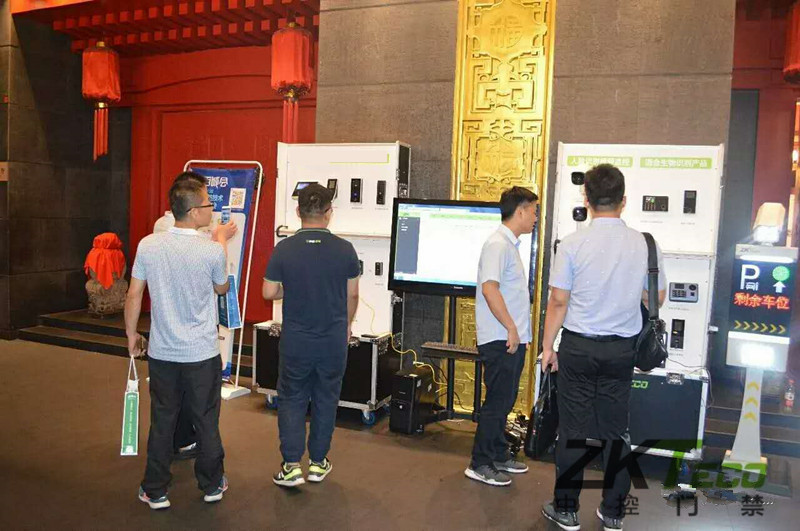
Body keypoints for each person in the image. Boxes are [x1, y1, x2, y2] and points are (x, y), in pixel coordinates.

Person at [540, 164, 665, 531]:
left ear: (587, 199)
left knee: (572, 430)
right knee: (616, 432)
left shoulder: (572, 244)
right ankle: (613, 512)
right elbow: (656, 297)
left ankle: (566, 510)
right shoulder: (645, 244)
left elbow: (558, 301)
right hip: (621, 351)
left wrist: (548, 347)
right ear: (623, 201)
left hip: (578, 349)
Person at [125, 172, 237, 509]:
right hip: (201, 353)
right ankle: (212, 483)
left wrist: (131, 334)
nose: (212, 209)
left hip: (163, 352)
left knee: (163, 420)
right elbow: (222, 287)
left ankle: (155, 489)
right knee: (206, 419)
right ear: (193, 211)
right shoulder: (210, 251)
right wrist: (220, 240)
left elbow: (134, 294)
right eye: (208, 204)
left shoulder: (148, 244)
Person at [262, 183, 360, 487]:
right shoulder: (345, 249)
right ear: (329, 212)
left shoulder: (284, 248)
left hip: (296, 341)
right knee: (326, 399)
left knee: (291, 398)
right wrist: (347, 324)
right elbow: (352, 295)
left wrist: (288, 289)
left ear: (298, 212)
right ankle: (318, 463)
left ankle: (291, 466)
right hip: (332, 340)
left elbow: (268, 292)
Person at [465, 186, 538, 487]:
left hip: (510, 338)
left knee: (504, 400)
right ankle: (480, 463)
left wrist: (519, 332)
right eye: (533, 211)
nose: (535, 217)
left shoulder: (509, 245)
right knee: (497, 403)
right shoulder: (497, 244)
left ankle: (496, 454)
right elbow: (489, 289)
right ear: (520, 211)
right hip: (500, 338)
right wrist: (510, 327)